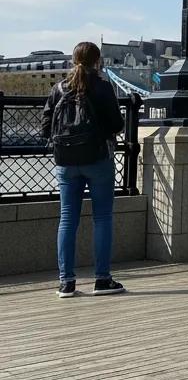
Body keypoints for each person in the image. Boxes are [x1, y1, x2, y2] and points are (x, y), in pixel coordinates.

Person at [41, 41, 127, 298]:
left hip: (65, 161)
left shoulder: (59, 88)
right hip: (97, 159)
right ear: (97, 61)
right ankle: (102, 279)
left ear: (73, 59)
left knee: (67, 219)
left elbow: (46, 126)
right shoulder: (102, 87)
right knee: (102, 218)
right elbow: (117, 124)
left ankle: (66, 282)